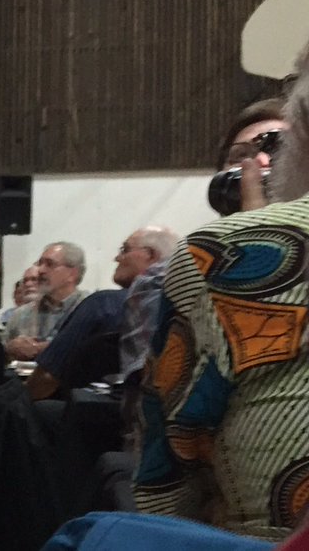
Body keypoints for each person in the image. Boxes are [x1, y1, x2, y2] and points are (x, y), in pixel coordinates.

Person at [133, 44, 309, 540]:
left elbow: (166, 480)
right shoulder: (200, 261)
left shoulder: (223, 254)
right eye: (240, 157)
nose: (260, 163)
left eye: (277, 145)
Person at [26, 226, 179, 401]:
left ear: (150, 255)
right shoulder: (185, 302)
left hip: (113, 416)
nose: (117, 258)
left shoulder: (102, 305)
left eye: (125, 250)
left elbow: (46, 379)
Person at [4, 242, 89, 362]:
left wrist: (42, 349)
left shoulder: (90, 309)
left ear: (72, 274)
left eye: (49, 264)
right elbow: (1, 357)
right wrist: (10, 349)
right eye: (40, 264)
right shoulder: (20, 314)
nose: (40, 270)